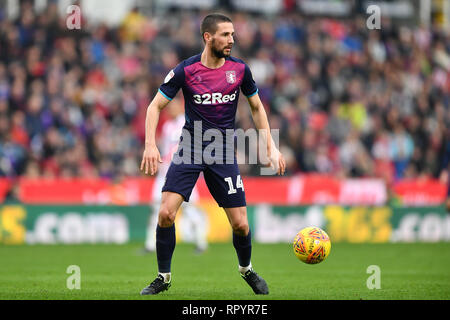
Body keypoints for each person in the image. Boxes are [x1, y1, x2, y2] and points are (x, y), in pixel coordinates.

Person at [139, 13, 286, 295]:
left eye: (232, 34)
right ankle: (163, 277)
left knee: (241, 224)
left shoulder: (240, 70)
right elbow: (154, 106)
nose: (232, 40)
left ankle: (247, 270)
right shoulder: (185, 70)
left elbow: (256, 107)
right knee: (166, 214)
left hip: (221, 150)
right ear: (208, 37)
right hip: (191, 148)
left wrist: (271, 146)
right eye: (226, 35)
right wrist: (149, 144)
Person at [143, 98, 208, 254]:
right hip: (164, 173)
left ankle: (201, 242)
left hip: (183, 172)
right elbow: (166, 149)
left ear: (180, 108)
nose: (170, 109)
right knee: (157, 208)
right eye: (168, 107)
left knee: (189, 209)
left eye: (173, 107)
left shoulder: (187, 124)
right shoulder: (167, 126)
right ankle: (150, 244)